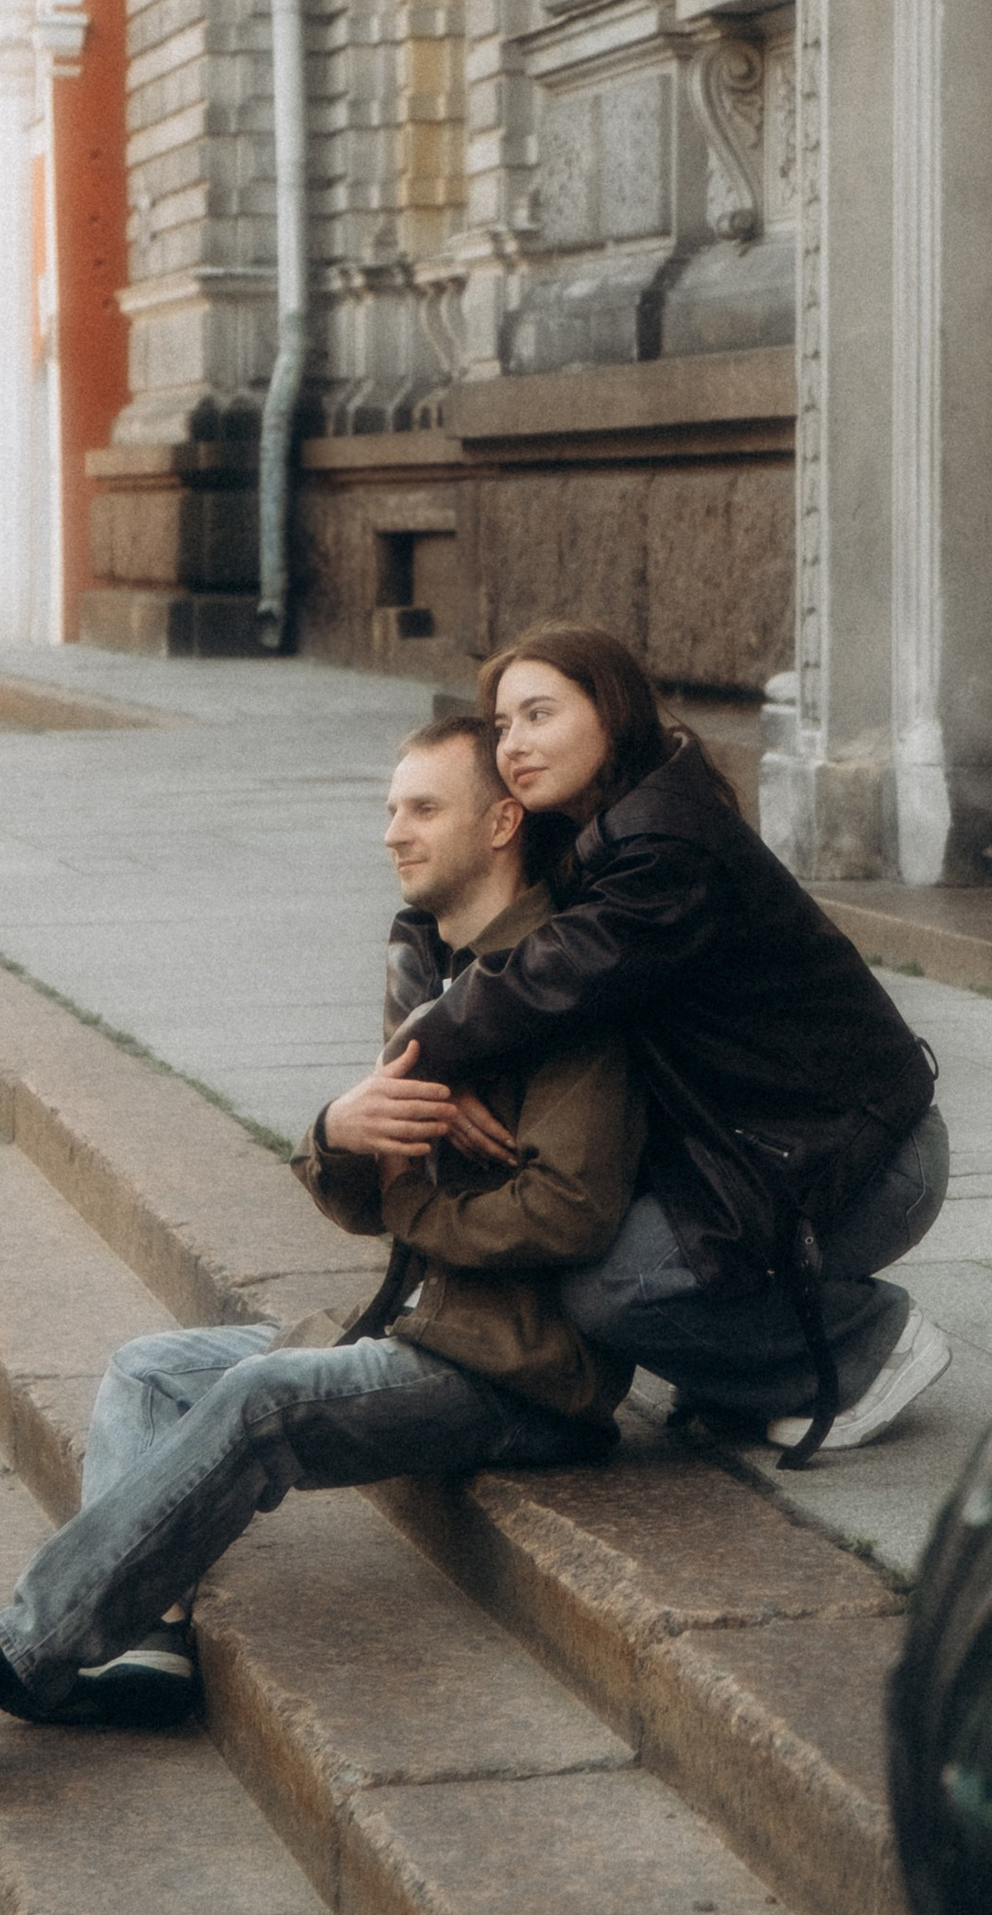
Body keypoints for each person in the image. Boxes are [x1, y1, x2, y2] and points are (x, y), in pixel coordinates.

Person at [0, 715, 642, 1771]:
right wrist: (335, 1132)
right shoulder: (442, 975)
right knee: (149, 1370)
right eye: (389, 809)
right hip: (423, 1321)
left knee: (259, 1401)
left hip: (512, 1367)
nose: (392, 834)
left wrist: (409, 1203)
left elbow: (572, 1209)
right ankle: (146, 1649)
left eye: (421, 809)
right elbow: (363, 1193)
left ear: (503, 823)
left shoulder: (565, 989)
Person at [395, 625, 952, 1466]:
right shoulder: (584, 825)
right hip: (752, 1150)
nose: (514, 744)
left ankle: (868, 1345)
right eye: (503, 725)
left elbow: (549, 974)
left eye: (539, 715)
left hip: (865, 1156)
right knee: (613, 1270)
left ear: (611, 715)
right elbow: (440, 917)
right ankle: (750, 1369)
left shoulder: (666, 850)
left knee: (618, 1293)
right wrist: (434, 1054)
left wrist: (419, 1058)